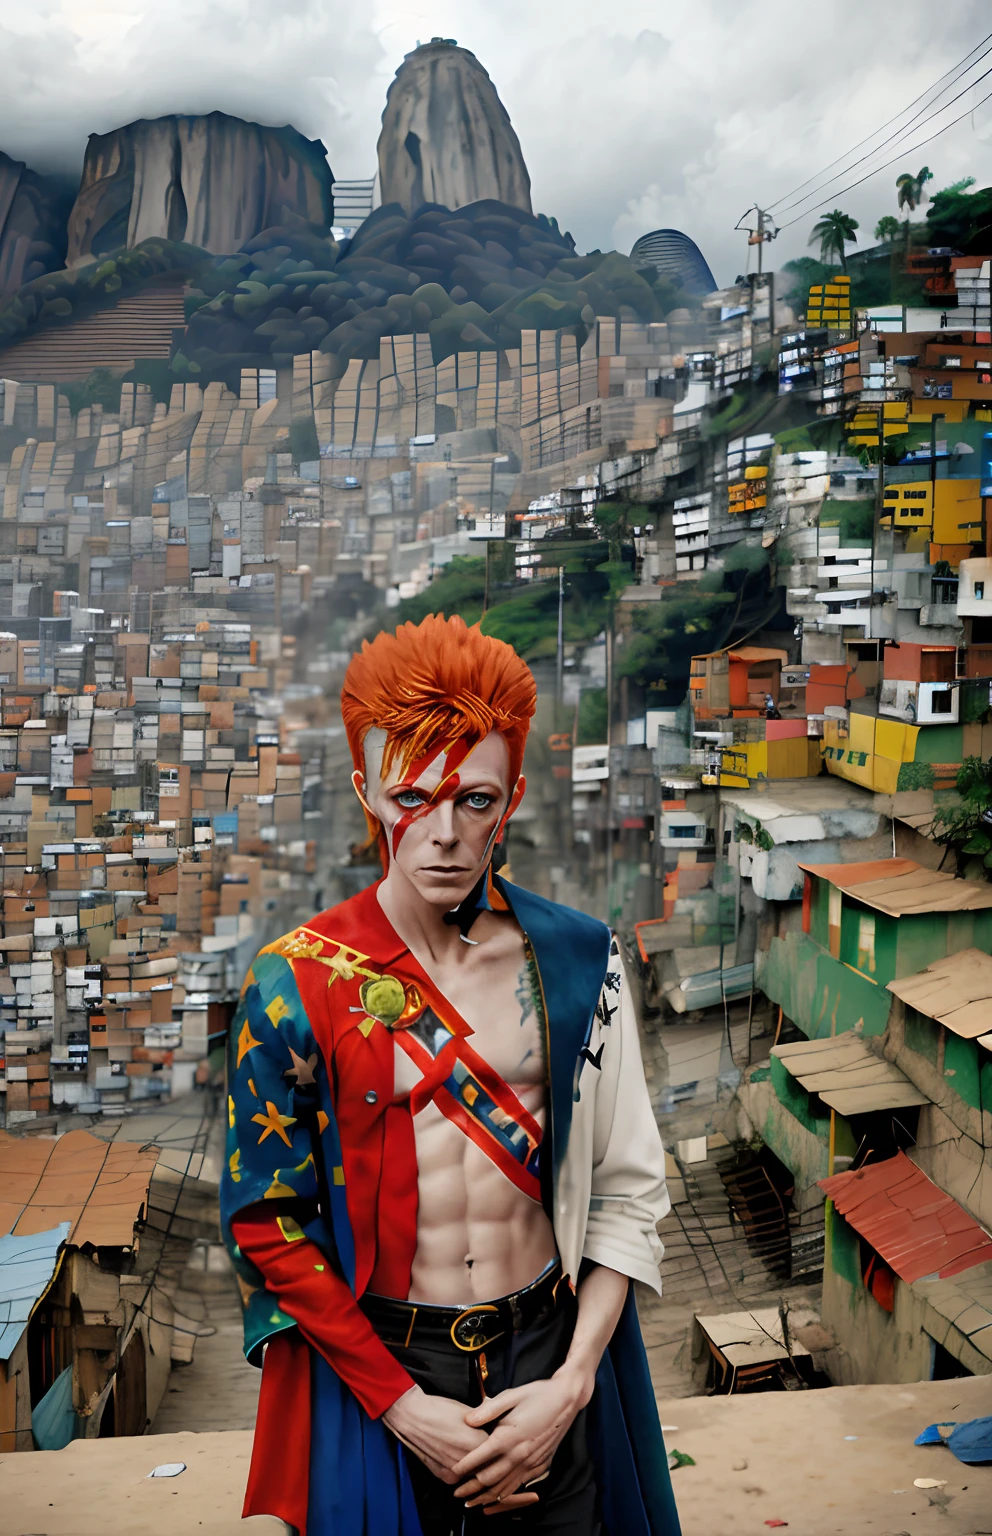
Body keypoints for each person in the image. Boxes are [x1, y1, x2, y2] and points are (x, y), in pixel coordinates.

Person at [221, 615, 678, 1536]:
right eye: (412, 797)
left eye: (473, 800)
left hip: (550, 1350)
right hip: (383, 1366)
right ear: (368, 793)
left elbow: (629, 1192)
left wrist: (572, 1383)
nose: (441, 833)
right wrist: (402, 1407)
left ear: (507, 802)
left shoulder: (581, 960)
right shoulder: (293, 984)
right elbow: (267, 1222)